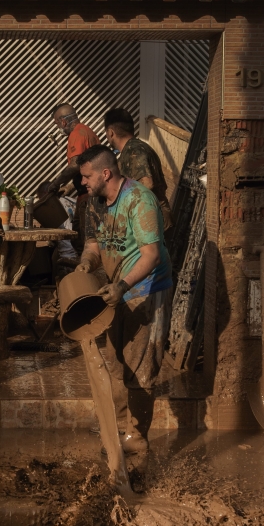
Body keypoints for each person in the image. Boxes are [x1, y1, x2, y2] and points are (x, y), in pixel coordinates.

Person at [75, 145, 173, 455]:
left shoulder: (139, 200)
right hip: (116, 292)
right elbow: (92, 244)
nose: (82, 182)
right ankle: (119, 433)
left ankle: (137, 440)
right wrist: (85, 266)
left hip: (146, 290)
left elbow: (152, 255)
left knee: (141, 369)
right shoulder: (94, 203)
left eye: (87, 176)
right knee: (116, 366)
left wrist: (123, 286)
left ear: (106, 173)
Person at [103, 106, 171, 226]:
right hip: (149, 219)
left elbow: (147, 184)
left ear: (110, 132)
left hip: (152, 221)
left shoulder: (135, 150)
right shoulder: (132, 149)